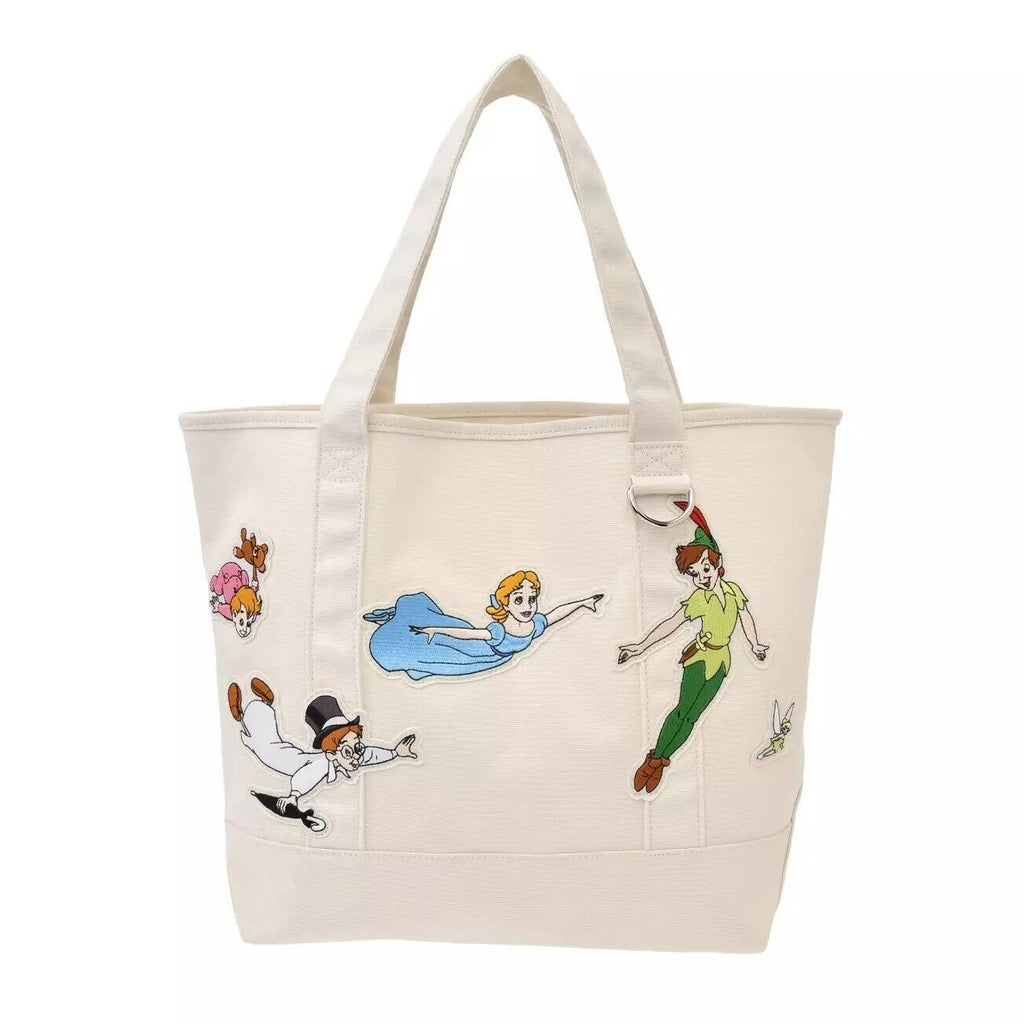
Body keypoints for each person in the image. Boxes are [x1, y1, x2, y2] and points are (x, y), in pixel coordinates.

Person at [617, 508, 768, 794]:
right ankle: (653, 760)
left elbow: (745, 617)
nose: (702, 577)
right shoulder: (699, 599)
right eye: (694, 573)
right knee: (681, 711)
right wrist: (640, 646)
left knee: (693, 717)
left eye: (705, 569)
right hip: (699, 658)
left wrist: (754, 644)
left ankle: (664, 760)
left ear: (717, 563)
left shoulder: (733, 591)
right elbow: (672, 624)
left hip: (722, 661)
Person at [228, 678, 416, 830]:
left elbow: (370, 754)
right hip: (281, 757)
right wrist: (293, 796)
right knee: (263, 744)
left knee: (268, 738)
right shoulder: (322, 765)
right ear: (331, 753)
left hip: (298, 756)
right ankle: (244, 713)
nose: (357, 756)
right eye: (349, 751)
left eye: (357, 747)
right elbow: (305, 776)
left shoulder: (349, 756)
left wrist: (394, 753)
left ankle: (264, 703)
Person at [363, 570, 603, 682]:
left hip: (494, 659)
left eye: (532, 599)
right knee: (435, 648)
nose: (528, 606)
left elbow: (556, 614)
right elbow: (467, 635)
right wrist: (437, 630)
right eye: (519, 600)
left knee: (440, 663)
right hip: (477, 651)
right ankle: (397, 618)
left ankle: (404, 618)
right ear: (506, 604)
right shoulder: (499, 631)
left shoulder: (534, 625)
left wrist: (583, 603)